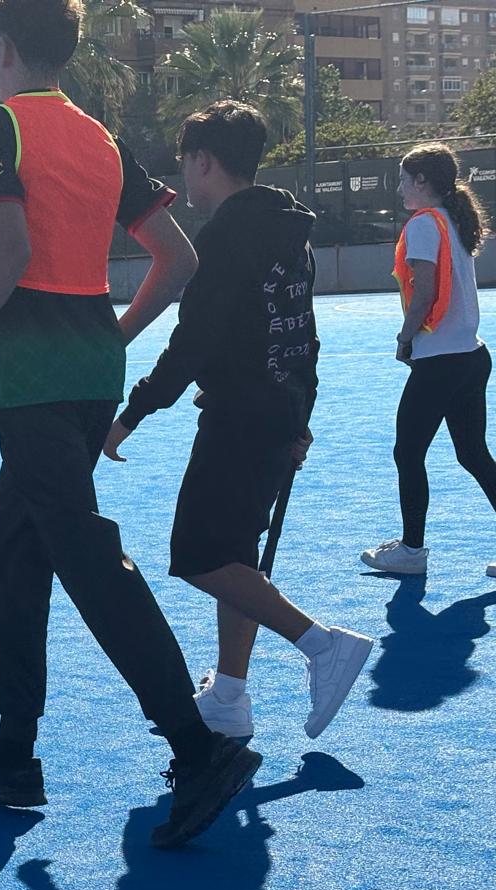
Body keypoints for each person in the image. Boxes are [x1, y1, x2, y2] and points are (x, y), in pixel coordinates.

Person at [0, 0, 260, 850]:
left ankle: (197, 747)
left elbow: (11, 253)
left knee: (85, 554)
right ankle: (15, 754)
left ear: (2, 49)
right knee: (6, 545)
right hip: (91, 378)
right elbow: (177, 258)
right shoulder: (100, 139)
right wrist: (115, 336)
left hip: (33, 380)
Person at [106, 101, 374, 740]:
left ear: (203, 161)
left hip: (240, 418)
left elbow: (193, 343)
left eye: (186, 163)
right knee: (235, 557)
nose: (185, 178)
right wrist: (300, 417)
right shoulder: (287, 228)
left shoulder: (225, 237)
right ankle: (229, 695)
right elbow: (300, 332)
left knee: (198, 556)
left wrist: (131, 414)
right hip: (276, 412)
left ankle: (321, 644)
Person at [361, 141, 496, 580]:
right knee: (474, 454)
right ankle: (411, 549)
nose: (399, 188)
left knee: (408, 452)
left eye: (403, 180)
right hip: (471, 356)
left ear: (421, 181)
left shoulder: (423, 224)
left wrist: (405, 338)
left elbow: (425, 292)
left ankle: (412, 551)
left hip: (441, 361)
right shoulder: (455, 219)